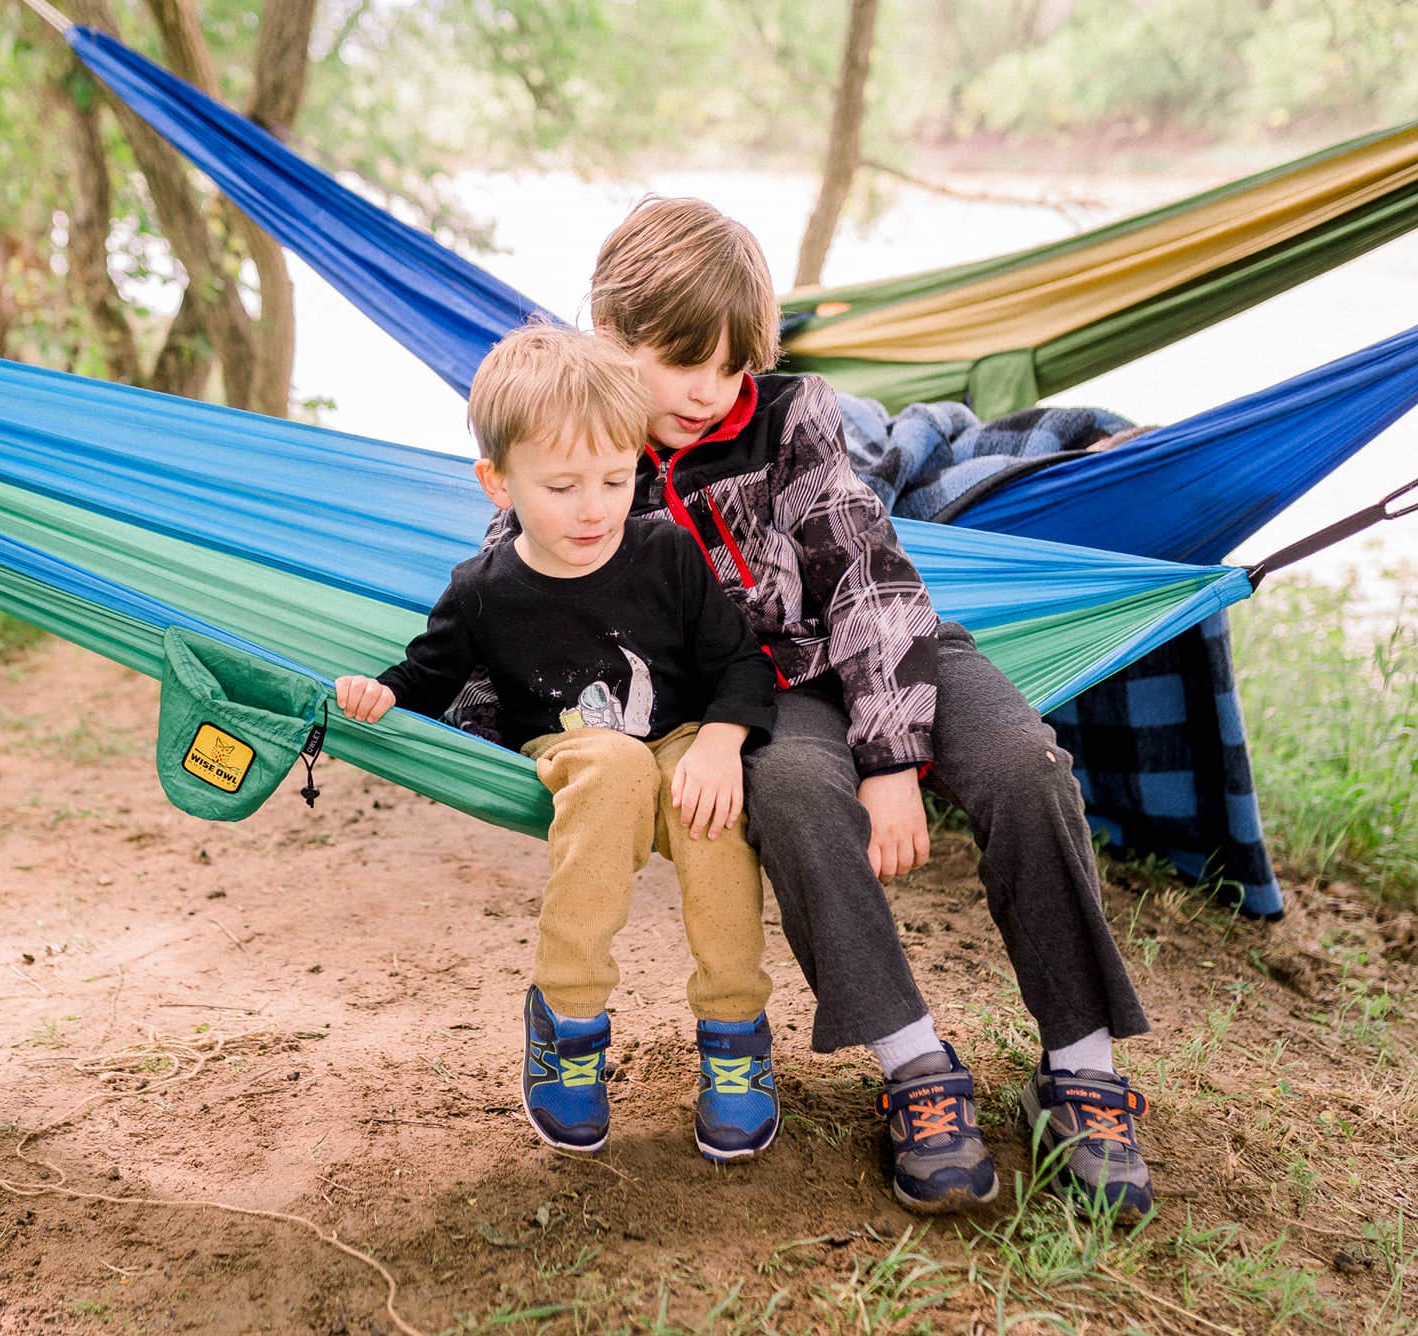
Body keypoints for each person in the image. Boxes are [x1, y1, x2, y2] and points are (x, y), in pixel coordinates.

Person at [586, 196, 1154, 1220]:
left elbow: (863, 572)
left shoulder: (789, 413)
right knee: (797, 792)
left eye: (728, 368)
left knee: (1025, 769)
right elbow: (531, 570)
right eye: (681, 363)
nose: (708, 392)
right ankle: (913, 1067)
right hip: (764, 689)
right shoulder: (586, 449)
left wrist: (891, 761)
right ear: (611, 336)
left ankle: (1080, 1066)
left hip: (894, 642)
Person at [334, 324, 784, 1163]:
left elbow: (739, 664)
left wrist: (722, 743)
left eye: (616, 479)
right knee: (613, 764)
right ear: (496, 483)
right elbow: (425, 677)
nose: (594, 507)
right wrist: (381, 693)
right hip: (570, 753)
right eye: (563, 486)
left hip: (681, 738)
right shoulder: (483, 592)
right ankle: (569, 1020)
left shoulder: (666, 554)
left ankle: (735, 1034)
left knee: (710, 805)